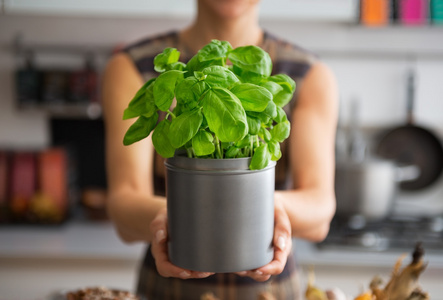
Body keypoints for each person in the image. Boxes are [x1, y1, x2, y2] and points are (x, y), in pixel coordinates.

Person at [102, 0, 338, 299]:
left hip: (270, 291)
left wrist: (266, 208)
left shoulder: (308, 73)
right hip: (170, 288)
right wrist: (172, 215)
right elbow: (124, 205)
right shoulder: (133, 66)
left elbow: (319, 213)